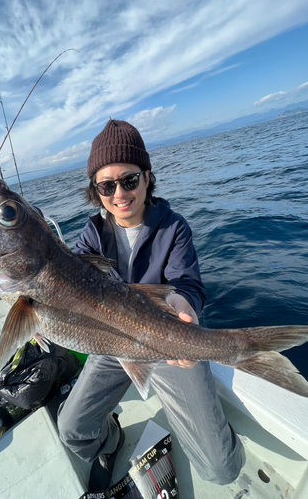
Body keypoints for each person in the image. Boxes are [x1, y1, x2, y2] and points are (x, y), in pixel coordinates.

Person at [57, 120, 244, 491]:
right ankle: (111, 439)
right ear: (96, 191)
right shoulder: (92, 234)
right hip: (111, 340)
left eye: (129, 180)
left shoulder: (173, 228)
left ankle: (222, 431)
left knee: (221, 470)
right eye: (106, 185)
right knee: (71, 430)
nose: (119, 194)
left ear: (147, 177)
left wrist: (182, 304)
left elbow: (187, 283)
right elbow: (66, 277)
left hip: (165, 341)